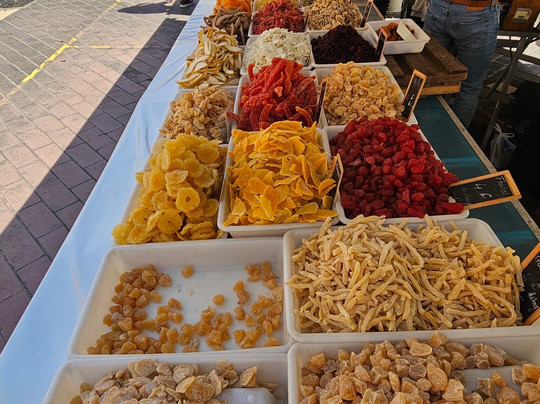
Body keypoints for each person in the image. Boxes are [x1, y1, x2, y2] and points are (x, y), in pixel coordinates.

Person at [423, 0, 499, 128]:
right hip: (477, 12)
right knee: (469, 87)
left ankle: (423, 128)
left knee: (430, 80)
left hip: (439, 7)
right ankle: (452, 137)